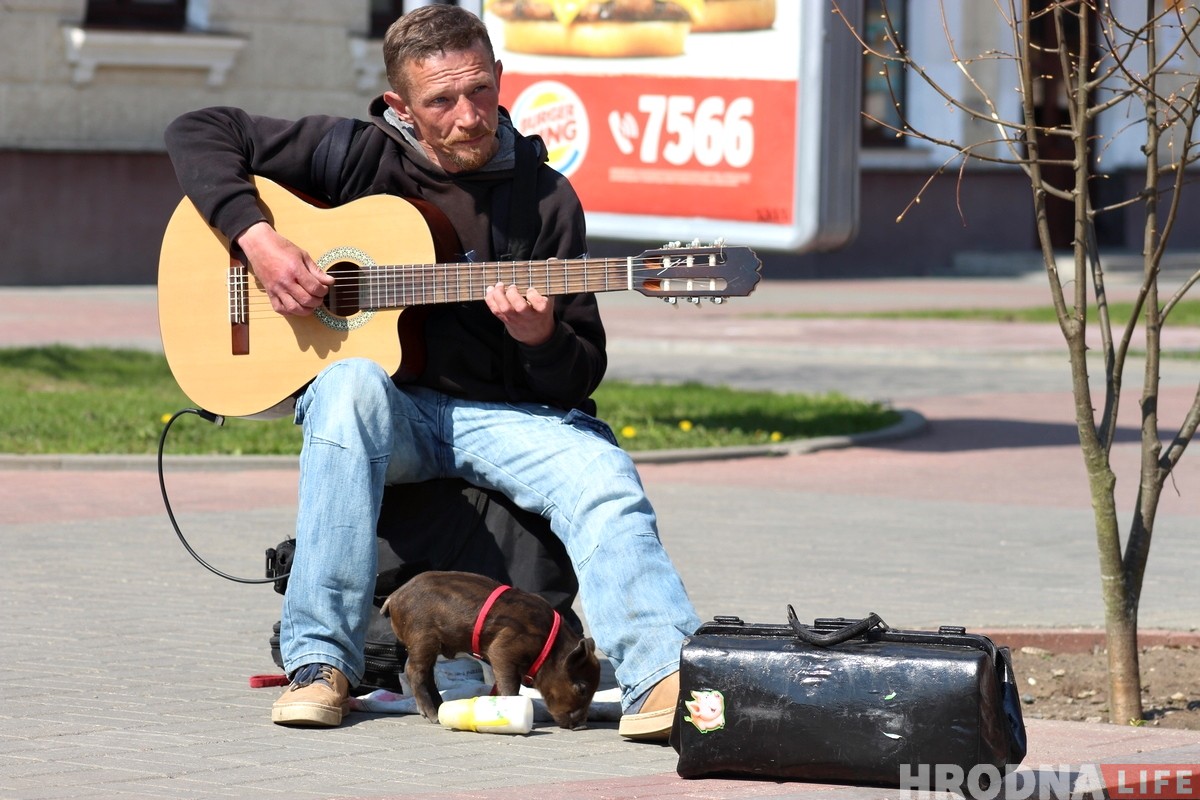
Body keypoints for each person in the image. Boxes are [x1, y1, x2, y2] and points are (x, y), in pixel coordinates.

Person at [163, 4, 700, 741]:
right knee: (346, 386)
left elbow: (576, 376)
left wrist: (541, 337)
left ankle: (662, 675)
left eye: (480, 91)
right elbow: (197, 129)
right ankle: (320, 663)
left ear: (501, 79)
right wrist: (258, 238)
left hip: (505, 418)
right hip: (392, 411)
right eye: (441, 101)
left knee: (599, 469)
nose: (468, 116)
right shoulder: (356, 156)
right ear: (401, 107)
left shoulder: (546, 202)